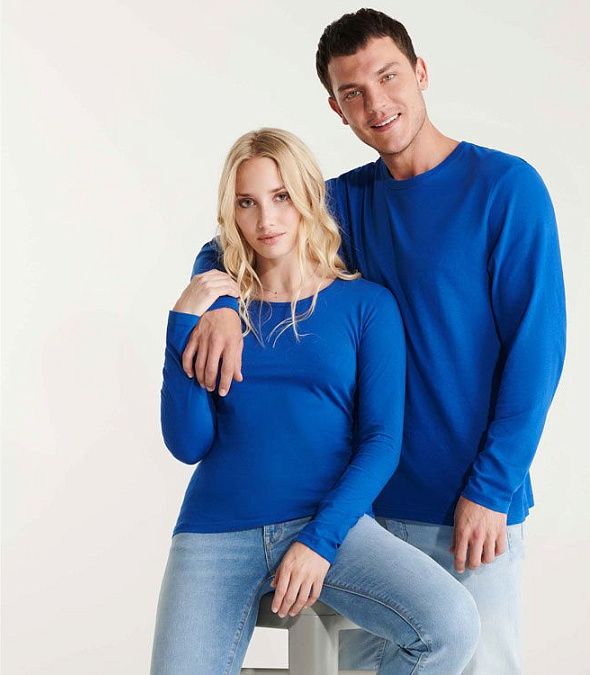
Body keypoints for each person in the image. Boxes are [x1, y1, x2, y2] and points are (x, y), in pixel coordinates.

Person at [186, 9, 567, 675]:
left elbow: (538, 350)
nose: (377, 103)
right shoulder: (348, 203)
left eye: (388, 77)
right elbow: (237, 237)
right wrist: (216, 303)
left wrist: (492, 487)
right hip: (368, 512)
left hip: (471, 505)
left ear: (420, 73)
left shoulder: (505, 190)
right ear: (337, 109)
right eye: (353, 92)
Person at [150, 127, 480, 675]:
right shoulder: (218, 313)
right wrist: (182, 323)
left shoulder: (366, 305)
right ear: (231, 213)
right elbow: (188, 444)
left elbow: (381, 441)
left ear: (307, 195)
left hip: (329, 523)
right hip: (215, 529)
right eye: (247, 203)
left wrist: (320, 542)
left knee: (451, 624)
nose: (266, 219)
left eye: (281, 197)